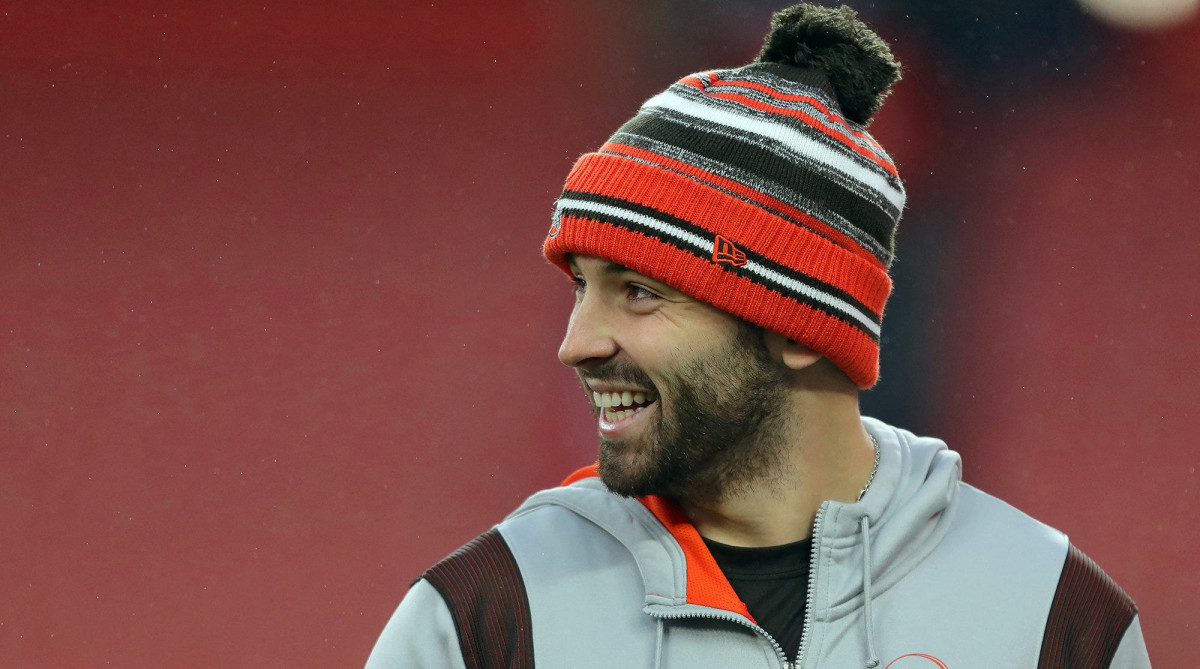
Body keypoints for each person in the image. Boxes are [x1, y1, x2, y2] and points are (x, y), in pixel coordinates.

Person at [365, 4, 1150, 668]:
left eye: (639, 294)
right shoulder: (488, 615)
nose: (577, 344)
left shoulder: (1054, 618)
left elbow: (1054, 55)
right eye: (585, 288)